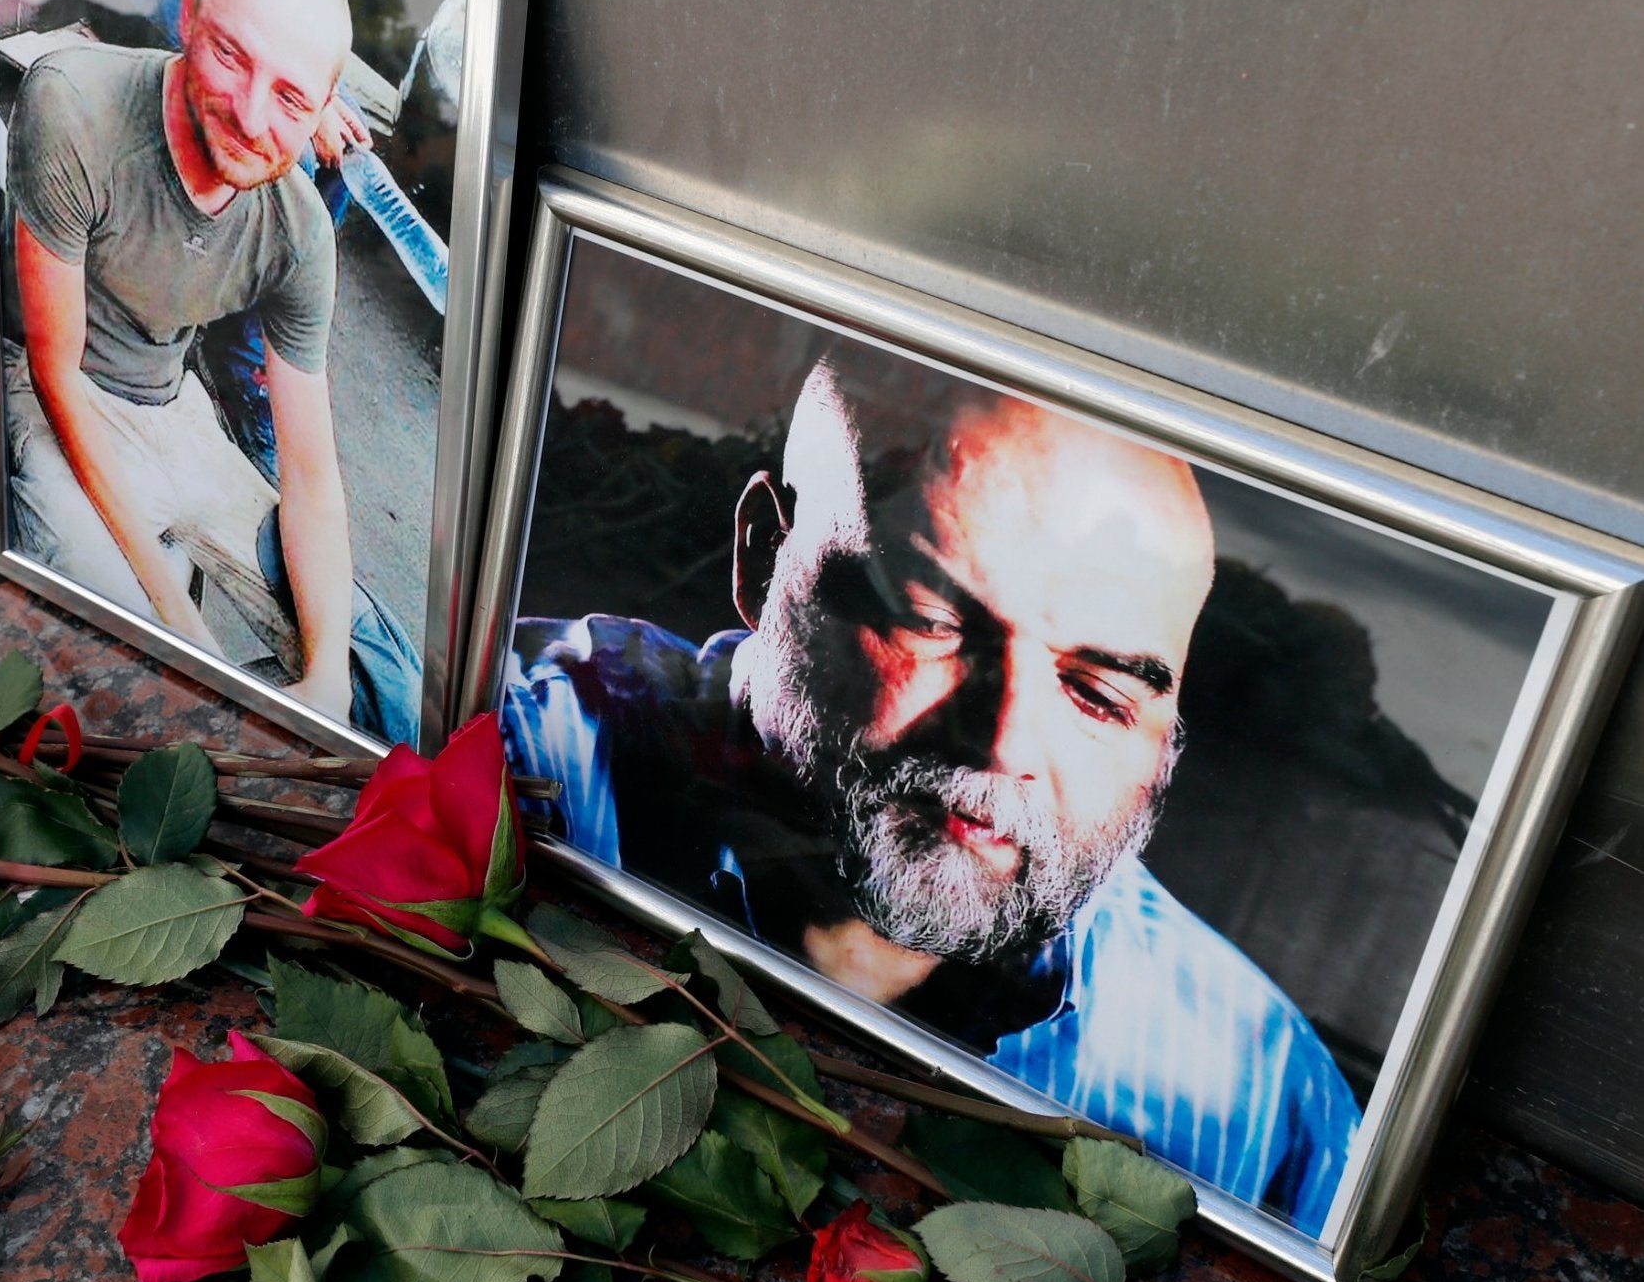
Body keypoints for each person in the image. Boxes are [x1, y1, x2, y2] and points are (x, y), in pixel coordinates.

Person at [502, 350, 1362, 1236]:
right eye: (932, 622)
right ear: (765, 559)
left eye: (1099, 695)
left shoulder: (1269, 1114)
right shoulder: (501, 757)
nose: (1005, 743)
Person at [2, 0, 418, 742]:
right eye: (232, 55)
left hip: (171, 411)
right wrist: (181, 628)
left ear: (326, 107)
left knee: (384, 678)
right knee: (142, 688)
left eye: (293, 95)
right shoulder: (74, 107)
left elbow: (309, 472)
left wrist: (329, 677)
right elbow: (56, 370)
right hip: (60, 395)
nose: (256, 115)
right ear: (189, 16)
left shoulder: (299, 232)